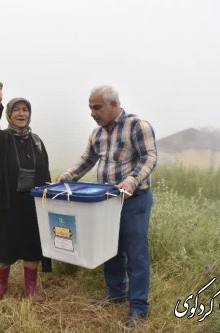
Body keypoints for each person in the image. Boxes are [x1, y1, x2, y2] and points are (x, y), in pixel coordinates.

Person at [56, 85, 157, 329]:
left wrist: (131, 181)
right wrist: (68, 176)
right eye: (90, 107)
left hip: (134, 201)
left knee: (136, 253)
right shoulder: (97, 134)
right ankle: (115, 293)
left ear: (113, 104)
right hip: (107, 202)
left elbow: (149, 157)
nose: (92, 112)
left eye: (97, 107)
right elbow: (87, 160)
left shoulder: (137, 126)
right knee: (109, 249)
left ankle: (138, 308)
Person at [0, 76, 52, 302]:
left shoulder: (37, 141)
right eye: (17, 110)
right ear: (9, 114)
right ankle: (1, 286)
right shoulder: (0, 140)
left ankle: (31, 288)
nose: (22, 114)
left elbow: (45, 170)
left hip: (32, 204)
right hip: (8, 203)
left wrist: (49, 196)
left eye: (25, 110)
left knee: (32, 245)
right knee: (6, 245)